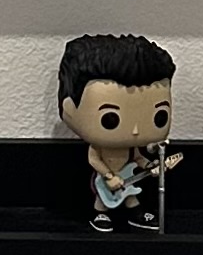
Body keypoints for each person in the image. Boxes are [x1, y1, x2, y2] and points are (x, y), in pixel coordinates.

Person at [56, 30, 177, 227]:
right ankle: (100, 213)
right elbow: (94, 159)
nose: (135, 130)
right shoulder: (99, 147)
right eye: (109, 119)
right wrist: (109, 176)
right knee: (103, 198)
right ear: (69, 109)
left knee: (131, 195)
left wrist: (150, 166)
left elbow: (138, 158)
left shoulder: (132, 148)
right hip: (106, 178)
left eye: (159, 116)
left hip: (127, 176)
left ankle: (135, 213)